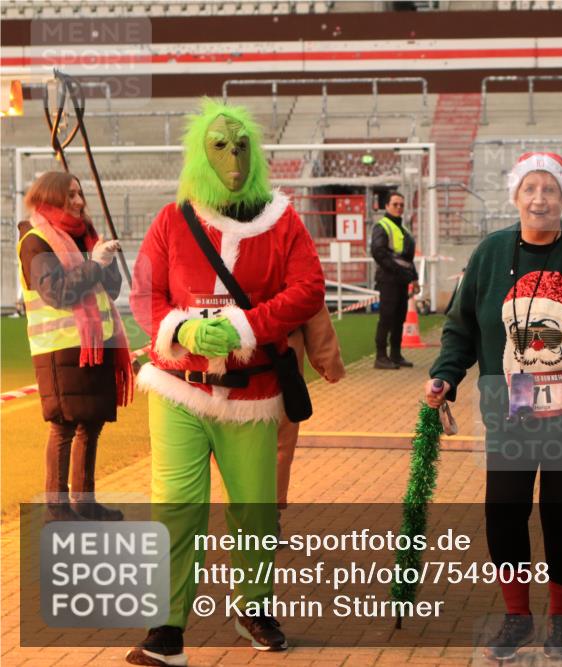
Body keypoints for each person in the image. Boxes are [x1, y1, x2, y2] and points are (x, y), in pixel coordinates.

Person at [127, 99, 326, 665]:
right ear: (200, 154)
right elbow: (146, 293)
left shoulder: (282, 221)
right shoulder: (172, 220)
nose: (233, 156)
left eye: (241, 146)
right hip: (178, 387)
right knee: (178, 507)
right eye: (220, 146)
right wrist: (183, 330)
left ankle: (253, 605)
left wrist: (245, 325)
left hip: (254, 393)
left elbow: (308, 288)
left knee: (256, 510)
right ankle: (166, 630)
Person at [426, 152, 562, 661]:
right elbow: (461, 329)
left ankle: (561, 619)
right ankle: (517, 616)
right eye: (530, 189)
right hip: (510, 408)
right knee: (504, 513)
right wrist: (444, 377)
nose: (539, 199)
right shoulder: (491, 254)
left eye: (550, 190)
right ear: (516, 197)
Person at [17, 171, 133, 523]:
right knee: (64, 427)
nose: (80, 201)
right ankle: (58, 507)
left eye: (80, 193)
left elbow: (109, 290)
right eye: (71, 195)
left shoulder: (83, 236)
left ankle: (84, 502)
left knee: (92, 424)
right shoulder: (35, 241)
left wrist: (105, 263)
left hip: (95, 346)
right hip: (60, 350)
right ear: (51, 197)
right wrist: (94, 264)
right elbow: (58, 292)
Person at [277, 307, 346, 511]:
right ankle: (268, 518)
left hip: (224, 369)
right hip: (280, 363)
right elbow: (314, 308)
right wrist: (330, 364)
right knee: (279, 445)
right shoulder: (294, 274)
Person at [370, 191, 418, 369]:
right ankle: (381, 357)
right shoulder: (382, 226)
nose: (399, 208)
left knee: (399, 317)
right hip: (388, 279)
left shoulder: (401, 229)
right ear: (387, 206)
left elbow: (407, 259)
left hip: (401, 280)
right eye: (395, 204)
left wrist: (414, 278)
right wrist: (400, 272)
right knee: (387, 318)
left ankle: (396, 354)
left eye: (401, 205)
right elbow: (378, 252)